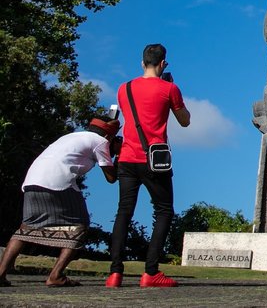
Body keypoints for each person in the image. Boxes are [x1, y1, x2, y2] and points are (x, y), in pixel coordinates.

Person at [106, 43, 190, 289]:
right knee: (164, 211)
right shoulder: (170, 89)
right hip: (155, 160)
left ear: (142, 63)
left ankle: (115, 272)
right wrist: (171, 90)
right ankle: (151, 271)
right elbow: (184, 121)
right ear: (163, 63)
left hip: (127, 159)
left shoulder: (125, 89)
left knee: (124, 212)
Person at [0, 117, 121, 288]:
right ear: (109, 136)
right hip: (56, 184)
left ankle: (0, 273)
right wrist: (118, 154)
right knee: (80, 225)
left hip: (31, 182)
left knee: (26, 228)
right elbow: (111, 177)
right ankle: (55, 275)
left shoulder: (71, 137)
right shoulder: (100, 142)